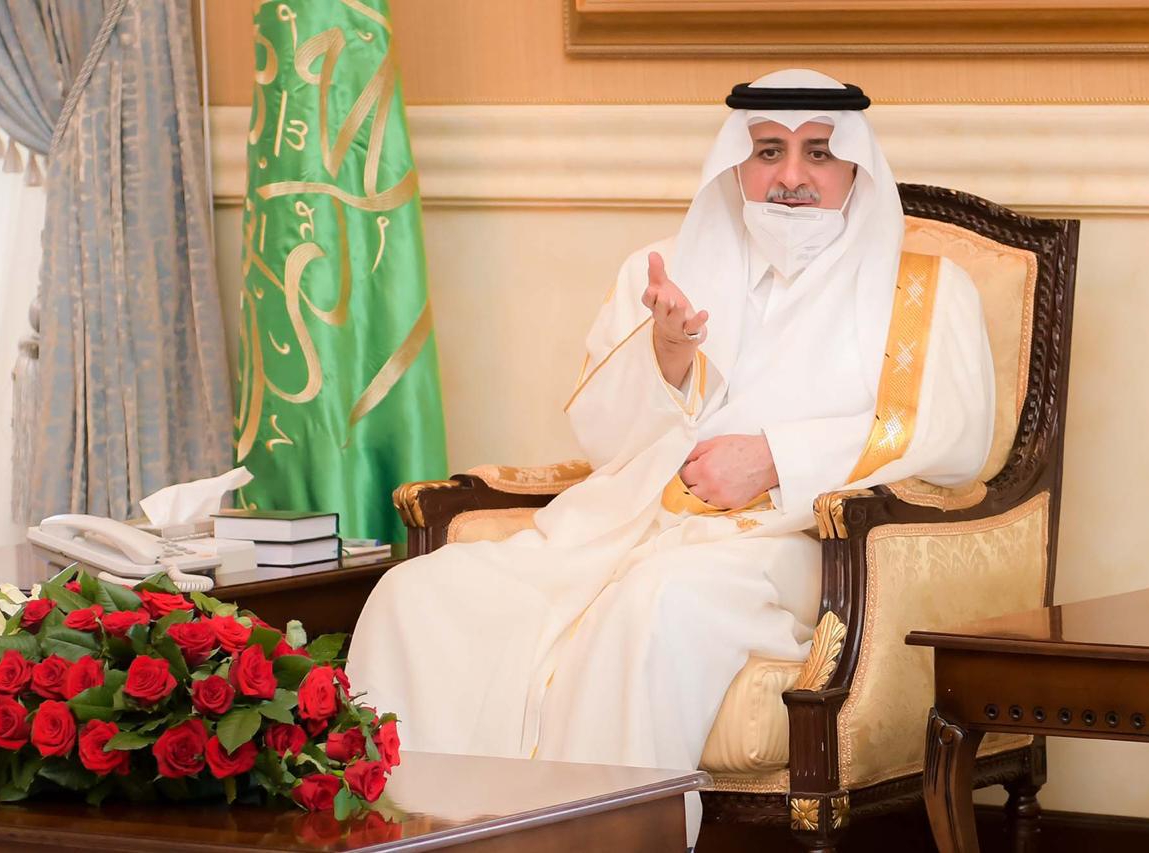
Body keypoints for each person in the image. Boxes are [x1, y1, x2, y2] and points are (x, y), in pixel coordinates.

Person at [346, 68, 995, 846]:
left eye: (819, 152)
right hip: (623, 526)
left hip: (793, 543)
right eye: (769, 151)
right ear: (738, 162)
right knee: (417, 594)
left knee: (657, 603)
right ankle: (426, 838)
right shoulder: (660, 271)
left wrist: (776, 458)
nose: (791, 176)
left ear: (855, 165)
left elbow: (951, 438)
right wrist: (668, 355)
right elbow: (604, 441)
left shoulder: (923, 291)